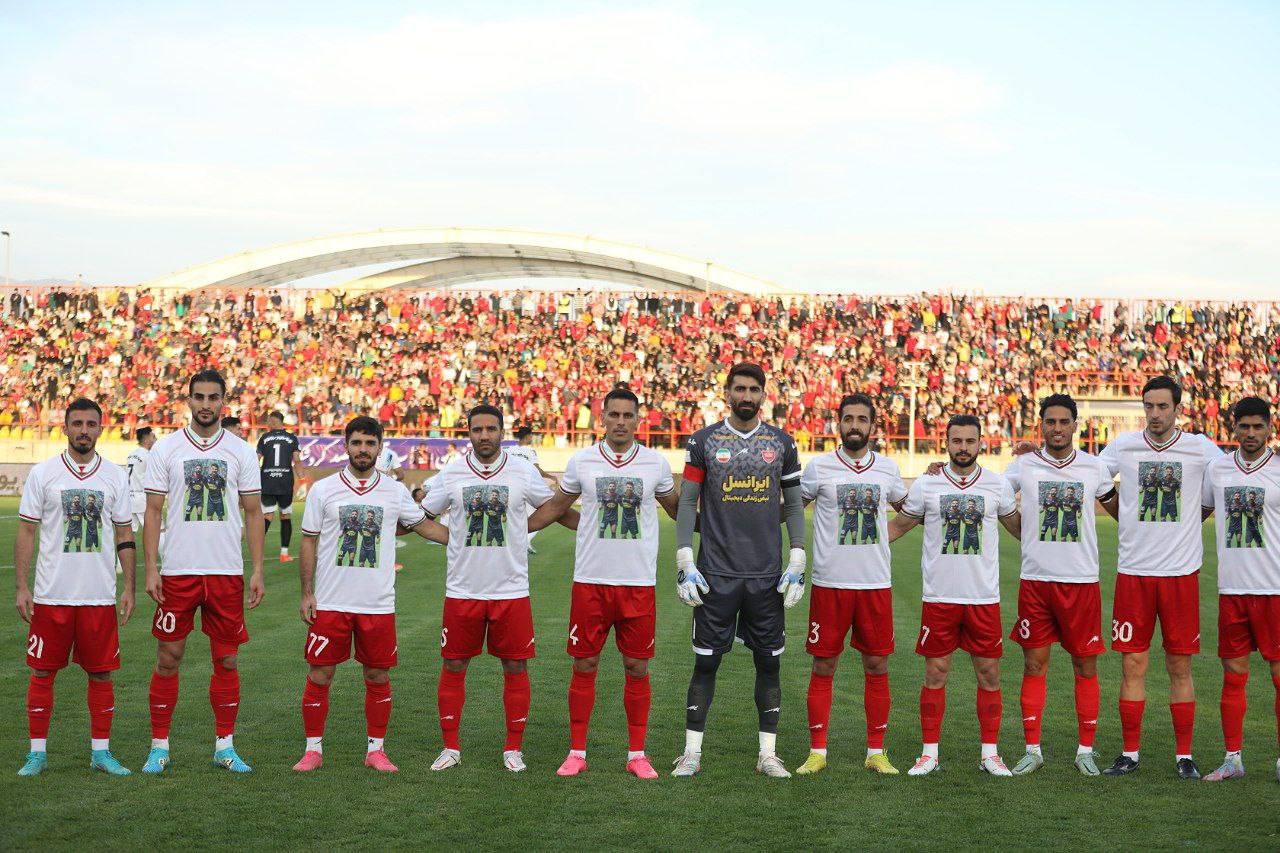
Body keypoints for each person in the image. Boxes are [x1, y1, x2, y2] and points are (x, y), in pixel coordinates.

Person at [529, 388, 679, 779]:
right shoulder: (582, 461)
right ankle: (577, 751)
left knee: (637, 667)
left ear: (638, 420)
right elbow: (557, 509)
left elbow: (679, 510)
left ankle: (637, 754)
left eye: (628, 415)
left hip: (638, 583)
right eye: (614, 414)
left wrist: (723, 527)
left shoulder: (655, 464)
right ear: (603, 418)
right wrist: (518, 531)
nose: (621, 422)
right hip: (591, 581)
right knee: (585, 663)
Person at [423, 404, 577, 773]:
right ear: (469, 433)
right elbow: (422, 517)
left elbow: (552, 508)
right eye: (477, 430)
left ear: (502, 432)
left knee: (515, 666)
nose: (484, 436)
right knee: (454, 664)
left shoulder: (522, 470)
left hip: (510, 589)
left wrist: (588, 528)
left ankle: (513, 748)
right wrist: (452, 537)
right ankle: (450, 747)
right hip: (463, 589)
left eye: (491, 429)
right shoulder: (453, 472)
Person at [291, 416, 448, 773]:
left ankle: (375, 750)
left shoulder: (393, 492)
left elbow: (424, 526)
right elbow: (309, 540)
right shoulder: (323, 490)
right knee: (319, 675)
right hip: (331, 602)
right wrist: (306, 593)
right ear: (346, 445)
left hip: (377, 604)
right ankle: (312, 749)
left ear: (380, 447)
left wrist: (464, 542)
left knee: (377, 676)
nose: (363, 449)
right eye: (357, 442)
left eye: (370, 443)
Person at [671, 363, 806, 779]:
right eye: (740, 389)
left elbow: (796, 504)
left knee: (769, 664)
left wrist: (797, 556)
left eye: (754, 389)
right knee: (706, 664)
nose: (747, 396)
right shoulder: (704, 442)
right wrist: (684, 558)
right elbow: (688, 502)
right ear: (727, 392)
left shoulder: (782, 443)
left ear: (764, 395)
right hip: (715, 574)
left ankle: (768, 754)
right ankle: (691, 752)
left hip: (766, 576)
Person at [1098, 376, 1224, 778]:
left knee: (1179, 668)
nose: (1154, 414)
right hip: (1133, 573)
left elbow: (1228, 481)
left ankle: (1183, 756)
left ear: (1177, 408)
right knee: (1132, 667)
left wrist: (1189, 525)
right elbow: (1090, 475)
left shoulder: (1201, 448)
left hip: (1180, 575)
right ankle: (1129, 753)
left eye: (1162, 407)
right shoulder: (1123, 445)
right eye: (1148, 406)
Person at [140, 370, 265, 775]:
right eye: (199, 397)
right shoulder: (167, 450)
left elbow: (252, 512)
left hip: (226, 571)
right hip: (178, 571)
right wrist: (152, 569)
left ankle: (224, 746)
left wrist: (258, 569)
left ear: (224, 401)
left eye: (214, 397)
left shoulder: (241, 452)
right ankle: (160, 746)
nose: (206, 404)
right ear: (188, 400)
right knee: (169, 656)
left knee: (227, 659)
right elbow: (153, 511)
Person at [887, 414, 1022, 776]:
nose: (963, 448)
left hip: (983, 599)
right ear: (945, 443)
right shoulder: (927, 485)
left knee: (989, 674)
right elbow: (898, 527)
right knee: (936, 672)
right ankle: (929, 752)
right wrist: (855, 550)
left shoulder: (997, 485)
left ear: (981, 444)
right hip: (939, 597)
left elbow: (1022, 530)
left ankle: (989, 753)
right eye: (956, 441)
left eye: (969, 441)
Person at [14, 398, 136, 777]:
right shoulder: (44, 474)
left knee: (101, 674)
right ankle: (37, 753)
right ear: (64, 428)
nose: (84, 430)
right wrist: (22, 586)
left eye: (91, 424)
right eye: (77, 423)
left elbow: (124, 531)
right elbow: (27, 531)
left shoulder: (115, 476)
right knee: (41, 673)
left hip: (99, 595)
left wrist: (129, 586)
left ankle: (101, 752)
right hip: (52, 595)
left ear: (102, 429)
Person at [1001, 394, 1118, 776]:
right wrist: (1024, 533)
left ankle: (1085, 749)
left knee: (1085, 667)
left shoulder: (1094, 467)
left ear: (1075, 425)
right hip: (1036, 582)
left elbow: (1120, 509)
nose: (1056, 428)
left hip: (1081, 582)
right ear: (1042, 425)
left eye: (1063, 421)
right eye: (1050, 421)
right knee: (1034, 665)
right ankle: (1032, 749)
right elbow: (994, 497)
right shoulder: (1023, 465)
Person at [794, 393, 906, 776]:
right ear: (837, 424)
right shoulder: (818, 467)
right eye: (848, 418)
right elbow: (794, 508)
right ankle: (818, 751)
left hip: (875, 583)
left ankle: (876, 751)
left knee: (876, 664)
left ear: (873, 426)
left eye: (862, 419)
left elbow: (911, 512)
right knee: (824, 665)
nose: (855, 425)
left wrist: (881, 537)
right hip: (830, 583)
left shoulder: (888, 469)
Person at [1199, 396, 1280, 782]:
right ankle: (1233, 759)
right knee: (1233, 675)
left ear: (1269, 429)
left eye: (1257, 427)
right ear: (1234, 428)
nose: (1250, 434)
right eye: (1243, 427)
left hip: (1274, 590)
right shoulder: (1217, 470)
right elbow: (1195, 514)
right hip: (1231, 589)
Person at [257, 411, 303, 563]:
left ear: (274, 421)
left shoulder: (264, 438)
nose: (268, 423)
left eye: (269, 421)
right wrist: (302, 477)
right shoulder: (291, 438)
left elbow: (256, 459)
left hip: (267, 481)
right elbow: (297, 460)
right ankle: (284, 554)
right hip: (285, 482)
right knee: (285, 516)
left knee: (267, 516)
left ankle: (258, 552)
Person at [509, 425, 550, 554]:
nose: (532, 438)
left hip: (510, 488)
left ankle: (520, 544)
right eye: (531, 435)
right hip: (526, 488)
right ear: (527, 436)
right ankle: (524, 543)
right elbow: (536, 469)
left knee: (515, 519)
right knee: (540, 517)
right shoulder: (530, 452)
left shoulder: (509, 450)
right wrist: (551, 476)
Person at [126, 427, 157, 533]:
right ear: (146, 439)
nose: (155, 439)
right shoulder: (149, 456)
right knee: (155, 530)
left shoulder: (131, 455)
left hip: (129, 497)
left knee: (129, 533)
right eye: (153, 437)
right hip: (142, 498)